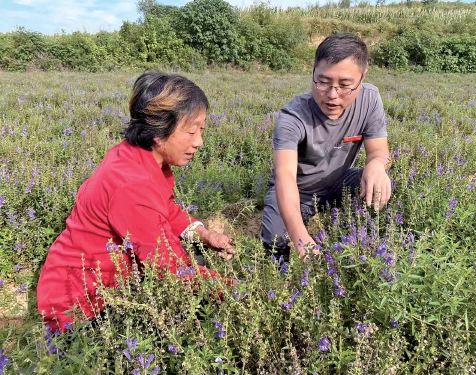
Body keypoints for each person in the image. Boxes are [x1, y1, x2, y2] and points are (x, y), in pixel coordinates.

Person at [37, 71, 234, 332]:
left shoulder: (140, 156)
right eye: (190, 131)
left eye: (202, 129)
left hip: (110, 277)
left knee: (195, 253)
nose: (199, 142)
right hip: (82, 303)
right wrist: (237, 291)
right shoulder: (132, 185)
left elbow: (165, 209)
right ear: (158, 132)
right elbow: (168, 268)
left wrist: (203, 233)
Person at [261, 33, 392, 258]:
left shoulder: (370, 99)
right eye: (322, 82)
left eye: (344, 85)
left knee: (382, 187)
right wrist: (301, 239)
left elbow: (380, 152)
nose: (332, 95)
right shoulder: (292, 117)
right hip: (299, 190)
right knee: (277, 240)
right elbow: (284, 177)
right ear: (312, 72)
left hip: (339, 182)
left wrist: (377, 165)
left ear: (363, 77)